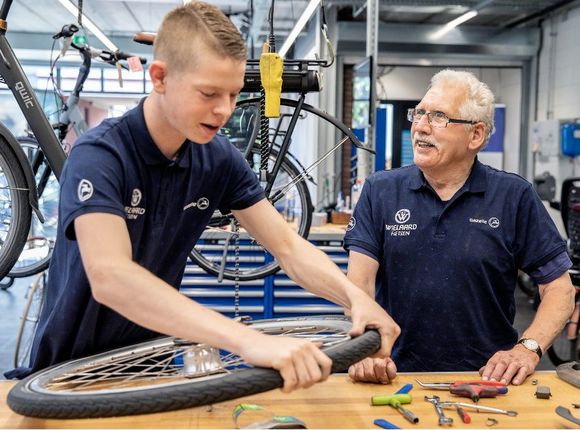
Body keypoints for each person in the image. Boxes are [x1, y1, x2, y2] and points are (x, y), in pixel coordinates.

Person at [4, 2, 400, 390]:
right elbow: (111, 276)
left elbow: (288, 248)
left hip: (149, 369)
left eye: (232, 94)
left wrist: (354, 298)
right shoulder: (101, 155)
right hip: (67, 376)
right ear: (159, 77)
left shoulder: (217, 158)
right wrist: (248, 340)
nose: (225, 110)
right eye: (209, 93)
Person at [344, 69, 575, 386]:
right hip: (393, 376)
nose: (421, 126)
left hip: (486, 381)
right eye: (420, 113)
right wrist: (365, 346)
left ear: (476, 135)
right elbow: (359, 285)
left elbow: (559, 289)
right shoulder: (381, 190)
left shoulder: (514, 197)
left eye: (439, 116)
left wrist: (528, 348)